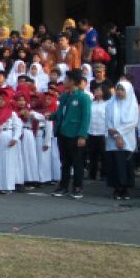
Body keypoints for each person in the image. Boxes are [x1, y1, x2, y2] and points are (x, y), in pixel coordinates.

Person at [51, 69, 91, 199]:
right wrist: (49, 116)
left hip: (75, 134)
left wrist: (82, 135)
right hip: (63, 132)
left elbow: (86, 117)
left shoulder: (83, 97)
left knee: (77, 162)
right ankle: (63, 185)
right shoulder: (64, 96)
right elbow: (59, 114)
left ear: (73, 81)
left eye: (67, 79)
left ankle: (77, 187)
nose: (64, 81)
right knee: (65, 162)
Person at [103, 80, 138, 200]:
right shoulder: (110, 104)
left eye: (122, 89)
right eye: (118, 89)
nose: (119, 92)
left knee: (125, 164)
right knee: (114, 164)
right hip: (113, 139)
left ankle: (125, 189)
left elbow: (132, 122)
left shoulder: (132, 104)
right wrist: (116, 135)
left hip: (127, 139)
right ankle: (116, 188)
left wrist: (119, 133)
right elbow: (108, 121)